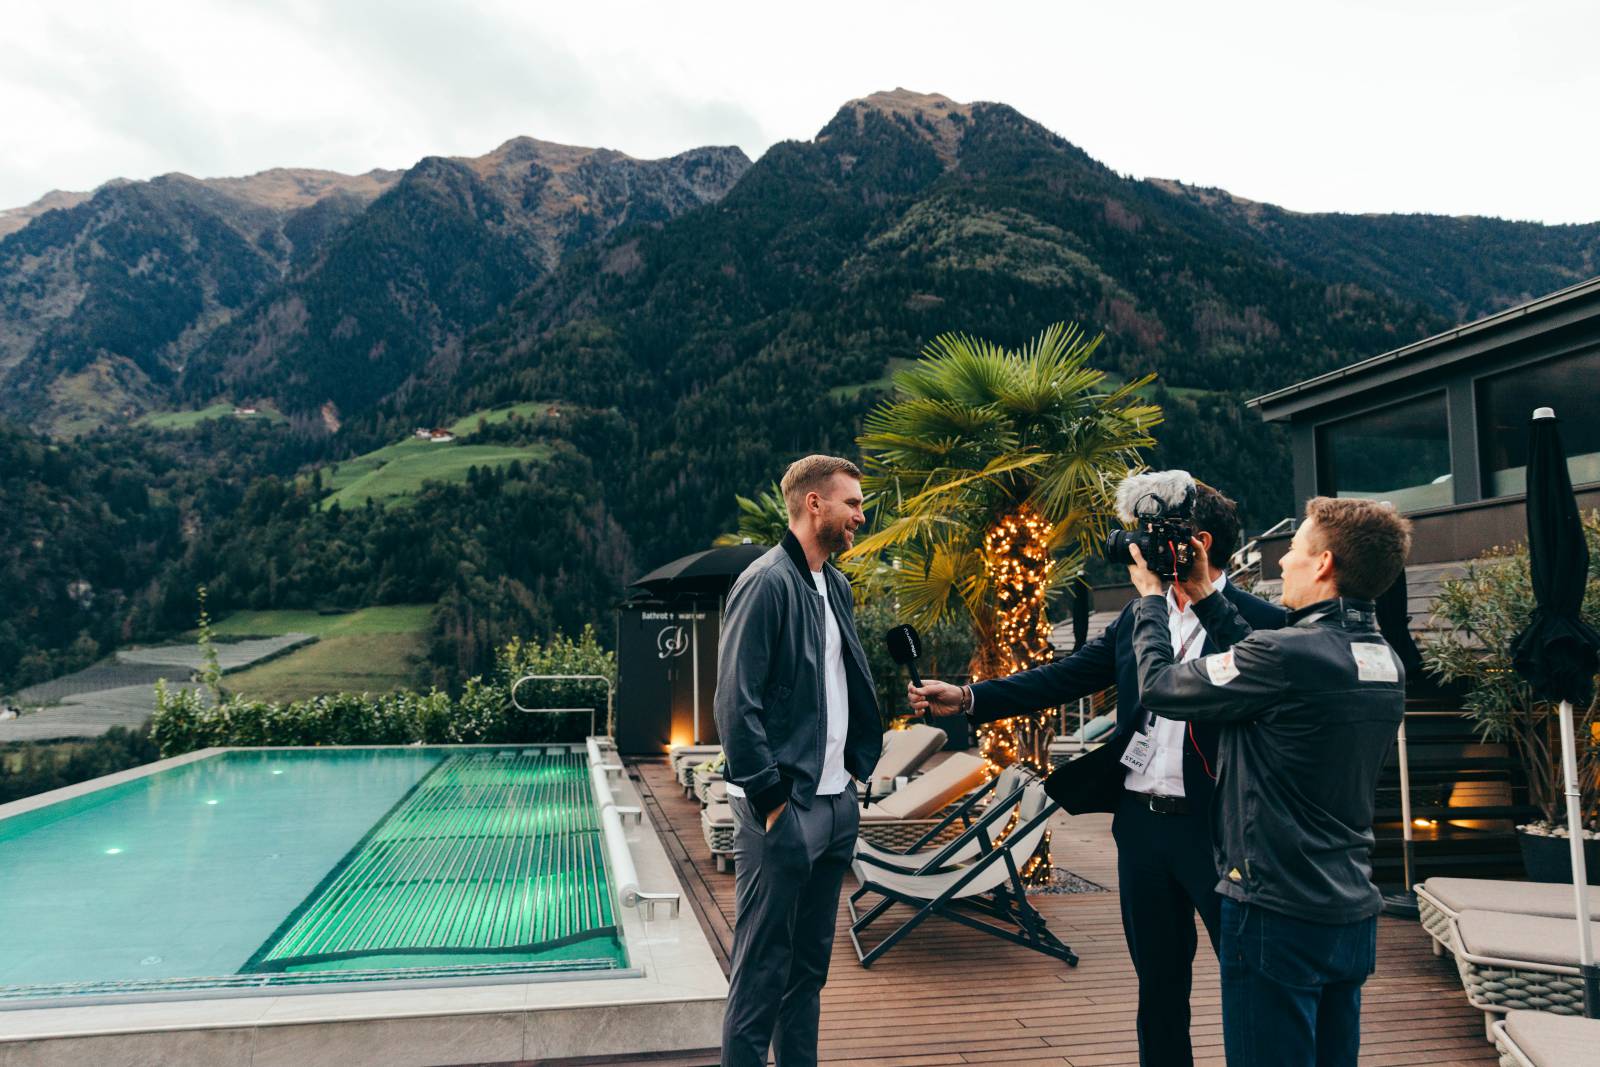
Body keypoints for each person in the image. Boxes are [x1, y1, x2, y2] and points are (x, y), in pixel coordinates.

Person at [908, 481, 1285, 1067]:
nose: (1135, 548)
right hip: (1141, 829)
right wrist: (967, 696)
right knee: (1158, 989)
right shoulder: (1137, 616)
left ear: (1197, 542)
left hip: (1219, 830)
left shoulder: (1262, 624)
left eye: (1148, 536)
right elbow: (1062, 677)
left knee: (1250, 983)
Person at [1125, 496, 1413, 1067]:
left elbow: (1160, 685)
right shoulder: (1382, 659)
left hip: (1275, 909)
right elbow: (1263, 664)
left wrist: (1152, 601)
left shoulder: (1284, 656)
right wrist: (1206, 594)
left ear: (1324, 564)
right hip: (1349, 906)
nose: (1282, 560)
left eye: (1295, 548)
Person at [714, 454, 885, 1067]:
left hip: (836, 805)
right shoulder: (766, 583)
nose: (861, 516)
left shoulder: (834, 585)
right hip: (783, 810)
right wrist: (772, 804)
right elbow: (735, 705)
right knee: (762, 971)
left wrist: (854, 775)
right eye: (852, 503)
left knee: (808, 972)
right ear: (815, 504)